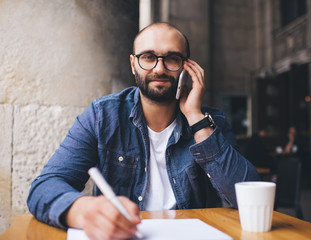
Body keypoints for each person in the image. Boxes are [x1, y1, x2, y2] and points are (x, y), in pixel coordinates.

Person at [27, 22, 260, 240]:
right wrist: (82, 210)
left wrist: (196, 119)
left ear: (186, 67)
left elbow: (248, 197)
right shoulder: (102, 116)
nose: (159, 68)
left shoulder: (210, 121)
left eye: (172, 58)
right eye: (148, 57)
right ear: (133, 63)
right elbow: (44, 186)